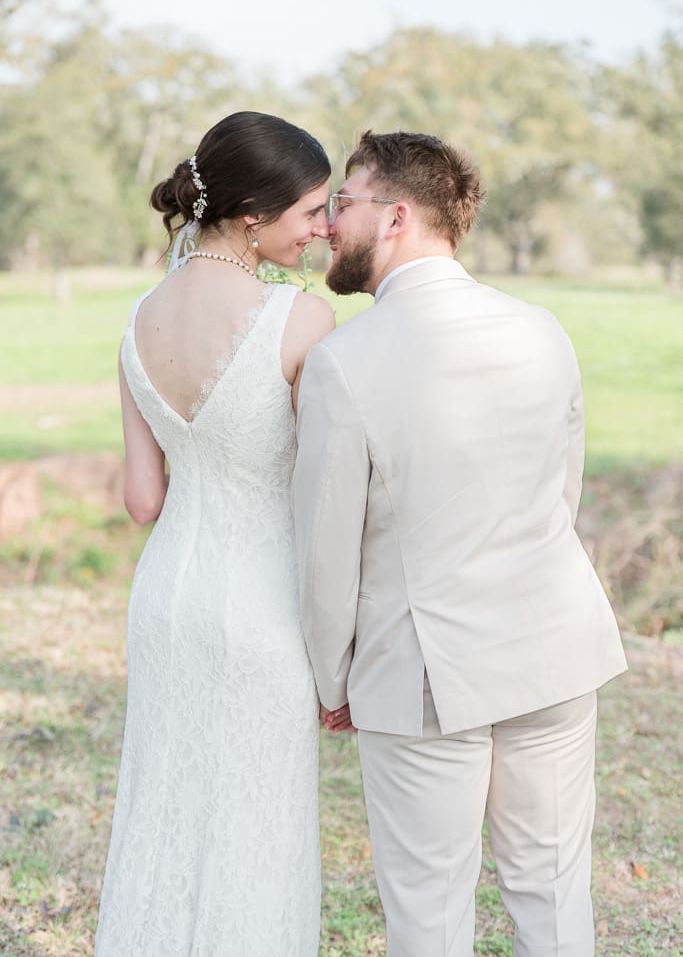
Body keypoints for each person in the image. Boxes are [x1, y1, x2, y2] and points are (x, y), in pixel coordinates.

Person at [293, 130, 628, 957]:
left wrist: (333, 677)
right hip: (553, 649)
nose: (331, 223)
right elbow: (561, 493)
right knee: (552, 893)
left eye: (346, 201)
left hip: (423, 673)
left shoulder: (344, 361)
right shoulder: (540, 329)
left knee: (429, 912)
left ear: (396, 215)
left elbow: (324, 552)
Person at [94, 111, 334, 957]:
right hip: (263, 608)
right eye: (311, 212)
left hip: (166, 600)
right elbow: (324, 495)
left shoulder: (137, 319)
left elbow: (141, 500)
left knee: (165, 807)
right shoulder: (298, 322)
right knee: (256, 827)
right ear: (251, 215)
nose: (322, 230)